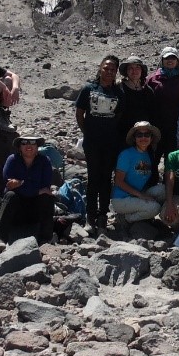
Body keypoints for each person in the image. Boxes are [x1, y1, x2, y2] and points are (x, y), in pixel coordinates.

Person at [75, 55, 122, 229]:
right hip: (92, 142)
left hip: (110, 143)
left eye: (112, 69)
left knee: (106, 178)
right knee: (93, 177)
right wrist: (87, 132)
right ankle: (90, 216)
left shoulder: (118, 92)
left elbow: (119, 115)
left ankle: (103, 214)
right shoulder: (88, 88)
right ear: (100, 68)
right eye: (106, 68)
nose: (109, 72)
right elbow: (80, 114)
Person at [0, 136, 54, 245]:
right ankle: (0, 239)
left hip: (35, 210)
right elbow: (8, 185)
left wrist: (20, 184)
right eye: (24, 143)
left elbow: (46, 187)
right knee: (10, 195)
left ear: (37, 147)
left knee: (47, 197)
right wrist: (36, 190)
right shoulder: (12, 160)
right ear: (19, 147)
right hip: (16, 211)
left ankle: (45, 239)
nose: (28, 146)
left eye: (32, 143)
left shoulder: (44, 161)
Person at [111, 121, 166, 225]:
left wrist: (142, 195)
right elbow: (118, 181)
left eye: (147, 135)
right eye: (139, 135)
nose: (143, 138)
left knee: (164, 190)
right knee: (155, 208)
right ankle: (127, 218)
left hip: (137, 194)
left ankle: (143, 212)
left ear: (151, 137)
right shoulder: (126, 154)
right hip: (121, 199)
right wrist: (142, 196)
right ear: (134, 138)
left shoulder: (148, 155)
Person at [146, 46, 179, 158]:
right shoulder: (153, 79)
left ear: (177, 61)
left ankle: (169, 176)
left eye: (173, 58)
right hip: (156, 126)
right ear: (162, 60)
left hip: (175, 125)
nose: (170, 60)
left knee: (171, 158)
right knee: (153, 157)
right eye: (167, 58)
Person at [116, 56, 157, 149]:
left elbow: (153, 114)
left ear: (142, 70)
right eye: (131, 68)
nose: (134, 71)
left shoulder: (148, 90)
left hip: (144, 136)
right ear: (126, 71)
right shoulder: (119, 87)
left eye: (137, 67)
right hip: (122, 135)